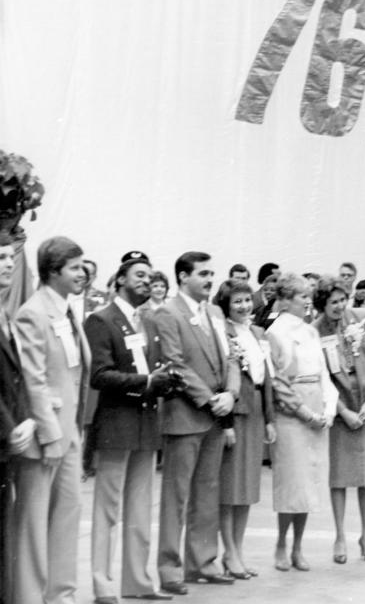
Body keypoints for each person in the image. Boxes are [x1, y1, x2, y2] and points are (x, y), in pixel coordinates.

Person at [85, 252, 178, 603]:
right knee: (107, 508)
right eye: (138, 274)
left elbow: (155, 368)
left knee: (140, 508)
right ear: (120, 279)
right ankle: (102, 585)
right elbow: (99, 375)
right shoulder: (101, 320)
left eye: (149, 275)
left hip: (145, 421)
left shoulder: (150, 322)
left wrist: (167, 379)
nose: (145, 279)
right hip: (116, 422)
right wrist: (146, 381)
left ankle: (137, 582)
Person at [155, 252, 240, 594]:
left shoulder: (216, 313)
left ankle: (203, 562)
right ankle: (169, 568)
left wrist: (231, 394)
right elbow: (174, 364)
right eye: (203, 274)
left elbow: (233, 356)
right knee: (176, 496)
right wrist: (210, 398)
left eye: (211, 273)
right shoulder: (168, 313)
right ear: (182, 277)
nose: (210, 279)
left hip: (215, 417)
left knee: (207, 493)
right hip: (186, 415)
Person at [12, 236, 90, 604]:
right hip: (47, 434)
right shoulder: (33, 312)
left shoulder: (67, 310)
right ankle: (29, 596)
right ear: (53, 271)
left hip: (71, 430)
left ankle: (61, 595)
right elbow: (34, 378)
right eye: (75, 267)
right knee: (33, 523)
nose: (83, 273)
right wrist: (51, 434)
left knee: (67, 516)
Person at [315, 277, 365, 565]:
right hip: (341, 412)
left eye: (342, 300)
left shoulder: (362, 318)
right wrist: (342, 410)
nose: (339, 306)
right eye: (333, 302)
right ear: (321, 304)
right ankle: (339, 535)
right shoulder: (316, 331)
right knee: (339, 477)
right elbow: (320, 378)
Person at [266, 274, 337, 572]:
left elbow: (324, 374)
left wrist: (329, 409)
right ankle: (281, 542)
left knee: (310, 483)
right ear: (285, 299)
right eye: (301, 297)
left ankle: (298, 546)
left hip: (316, 408)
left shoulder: (310, 331)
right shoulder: (274, 332)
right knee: (292, 483)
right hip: (292, 414)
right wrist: (303, 412)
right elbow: (277, 382)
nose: (307, 302)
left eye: (309, 296)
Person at [216, 280, 277, 578]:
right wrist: (225, 424)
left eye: (246, 300)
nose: (243, 306)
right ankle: (228, 552)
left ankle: (238, 549)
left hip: (254, 413)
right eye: (236, 301)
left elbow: (266, 378)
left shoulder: (257, 332)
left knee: (248, 488)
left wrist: (269, 418)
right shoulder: (221, 333)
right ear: (226, 305)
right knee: (230, 487)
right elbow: (222, 380)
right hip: (236, 414)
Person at [0, 233, 33, 604]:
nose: (10, 263)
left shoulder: (6, 312)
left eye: (11, 257)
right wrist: (10, 427)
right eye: (2, 257)